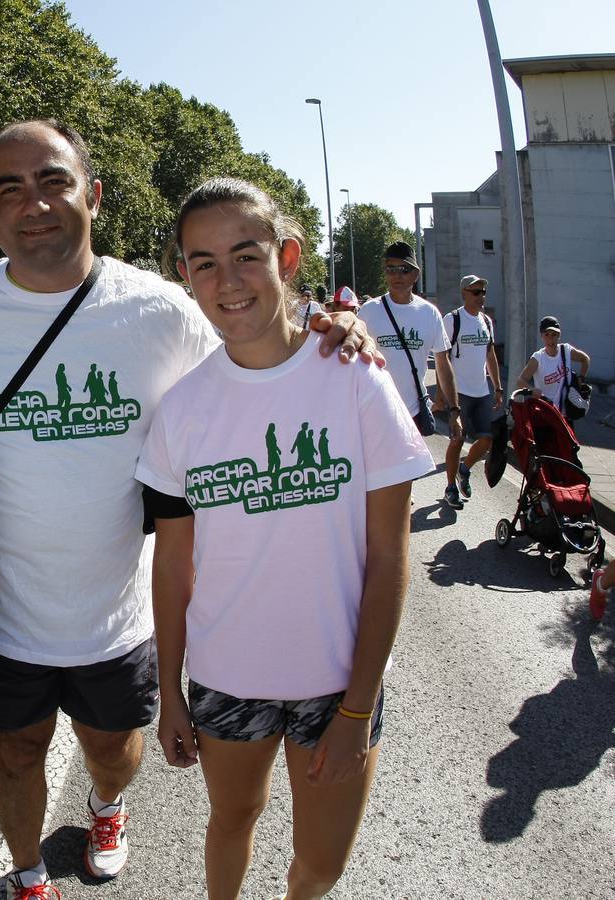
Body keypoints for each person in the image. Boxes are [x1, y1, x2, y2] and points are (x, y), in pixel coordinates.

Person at [0, 119, 377, 898]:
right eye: (8, 189)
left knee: (112, 748)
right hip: (2, 613)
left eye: (53, 180)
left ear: (92, 194)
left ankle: (105, 806)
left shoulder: (161, 311)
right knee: (16, 752)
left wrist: (328, 327)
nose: (34, 203)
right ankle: (26, 871)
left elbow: (257, 351)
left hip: (118, 615)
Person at [140, 177, 432, 900]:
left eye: (246, 255)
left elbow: (392, 558)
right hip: (225, 678)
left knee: (322, 863)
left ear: (289, 258)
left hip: (336, 685)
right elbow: (173, 566)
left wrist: (358, 707)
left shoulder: (357, 378)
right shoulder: (181, 410)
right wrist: (171, 692)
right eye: (203, 262)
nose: (227, 281)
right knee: (231, 819)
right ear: (184, 275)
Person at [357, 241, 464, 506]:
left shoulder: (429, 314)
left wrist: (454, 411)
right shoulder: (369, 311)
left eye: (403, 269)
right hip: (375, 409)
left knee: (402, 479)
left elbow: (443, 363)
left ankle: (398, 514)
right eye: (390, 269)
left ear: (415, 274)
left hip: (412, 410)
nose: (396, 276)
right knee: (377, 480)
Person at [442, 275, 504, 508]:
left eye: (483, 292)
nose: (481, 296)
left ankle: (464, 469)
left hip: (481, 392)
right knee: (457, 439)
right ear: (464, 293)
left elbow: (490, 355)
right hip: (459, 393)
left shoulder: (486, 321)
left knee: (486, 441)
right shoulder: (453, 320)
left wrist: (497, 386)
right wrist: (443, 394)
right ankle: (450, 488)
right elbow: (442, 358)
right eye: (476, 292)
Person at [516, 315, 590, 421]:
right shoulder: (538, 358)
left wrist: (581, 378)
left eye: (554, 335)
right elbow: (520, 381)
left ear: (559, 335)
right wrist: (532, 390)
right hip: (545, 413)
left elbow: (585, 359)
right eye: (547, 334)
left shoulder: (566, 351)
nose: (550, 339)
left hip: (566, 415)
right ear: (541, 336)